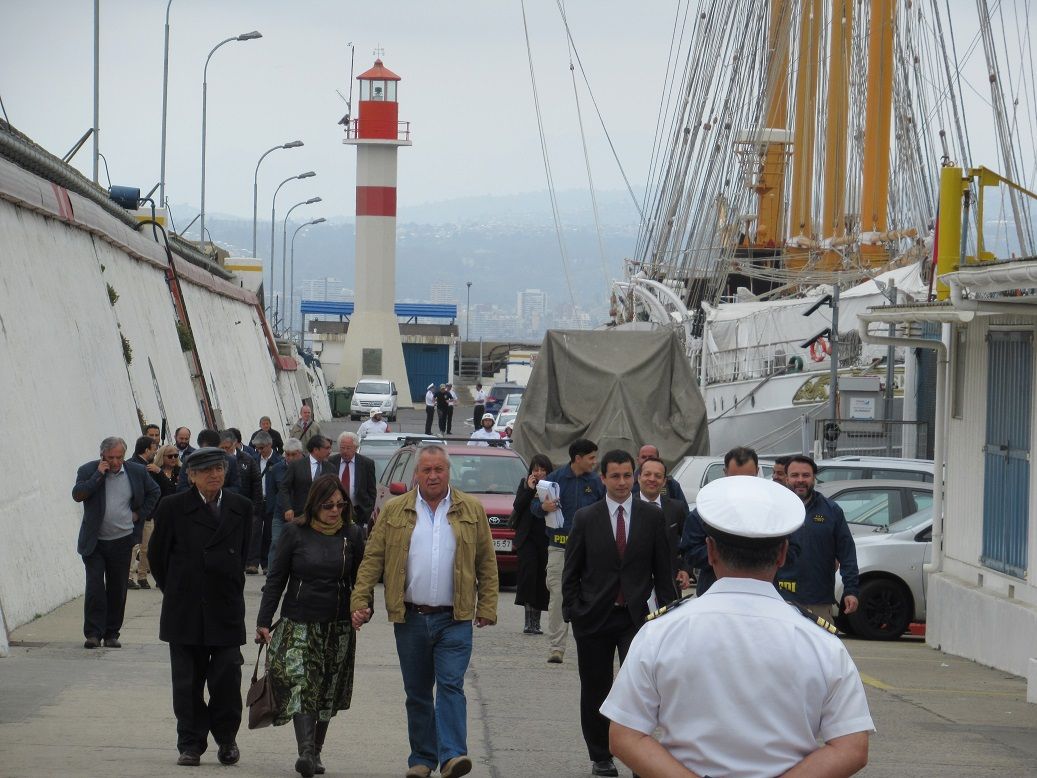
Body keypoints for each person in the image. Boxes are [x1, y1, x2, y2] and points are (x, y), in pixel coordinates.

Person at [602, 476, 873, 777]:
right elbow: (851, 747)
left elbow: (624, 735)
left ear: (711, 550)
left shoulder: (661, 632)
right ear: (783, 554)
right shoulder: (821, 642)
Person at [351, 445, 498, 778]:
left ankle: (452, 756)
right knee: (417, 693)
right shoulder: (394, 510)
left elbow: (486, 563)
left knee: (450, 686)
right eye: (427, 470)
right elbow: (372, 559)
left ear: (449, 472)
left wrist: (487, 605)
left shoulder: (471, 509)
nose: (433, 476)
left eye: (439, 470)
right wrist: (360, 600)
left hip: (454, 618)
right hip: (411, 617)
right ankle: (421, 759)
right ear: (416, 474)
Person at [563, 450, 677, 778]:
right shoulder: (586, 518)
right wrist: (573, 611)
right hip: (594, 618)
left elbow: (663, 570)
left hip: (635, 619)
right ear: (603, 479)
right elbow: (571, 571)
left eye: (628, 475)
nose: (622, 482)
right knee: (596, 688)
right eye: (615, 476)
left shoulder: (651, 517)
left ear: (635, 476)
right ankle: (600, 755)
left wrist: (668, 616)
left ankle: (639, 758)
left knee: (639, 691)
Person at [257, 474, 366, 778]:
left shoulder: (353, 535)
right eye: (328, 505)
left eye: (341, 505)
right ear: (315, 504)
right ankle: (305, 752)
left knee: (327, 689)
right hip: (300, 622)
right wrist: (264, 621)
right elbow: (276, 579)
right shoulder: (295, 533)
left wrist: (362, 608)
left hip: (338, 625)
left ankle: (316, 752)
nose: (335, 510)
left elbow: (362, 580)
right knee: (304, 685)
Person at [149, 448, 253, 767]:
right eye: (206, 470)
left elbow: (244, 555)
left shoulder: (240, 507)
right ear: (191, 475)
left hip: (225, 608)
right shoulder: (172, 507)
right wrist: (180, 589)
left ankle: (226, 739)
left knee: (226, 679)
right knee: (187, 683)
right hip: (185, 609)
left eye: (219, 468)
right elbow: (157, 557)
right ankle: (191, 743)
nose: (214, 475)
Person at [72, 436, 160, 648]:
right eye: (110, 458)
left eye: (119, 457)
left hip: (122, 540)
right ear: (102, 455)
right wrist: (97, 476)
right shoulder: (88, 470)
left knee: (117, 588)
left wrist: (139, 514)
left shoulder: (136, 472)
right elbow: (78, 495)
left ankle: (112, 633)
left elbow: (154, 491)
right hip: (94, 541)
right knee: (95, 587)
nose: (115, 462)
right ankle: (93, 633)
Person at [531, 439, 606, 664]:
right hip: (559, 547)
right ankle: (556, 647)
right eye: (591, 457)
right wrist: (543, 507)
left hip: (589, 551)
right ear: (578, 458)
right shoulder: (553, 480)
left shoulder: (596, 483)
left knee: (591, 598)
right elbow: (534, 508)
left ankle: (590, 644)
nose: (594, 462)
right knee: (558, 596)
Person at [778, 455, 861, 620]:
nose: (800, 480)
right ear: (786, 478)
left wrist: (851, 590)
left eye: (806, 475)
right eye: (795, 475)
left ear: (814, 478)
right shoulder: (774, 508)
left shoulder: (832, 511)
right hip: (780, 600)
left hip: (818, 602)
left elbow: (847, 553)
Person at [679, 446, 762, 596]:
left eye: (748, 478)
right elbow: (690, 552)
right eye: (735, 479)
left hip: (761, 594)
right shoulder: (706, 510)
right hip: (714, 593)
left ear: (757, 472)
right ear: (725, 473)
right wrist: (727, 553)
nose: (742, 485)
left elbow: (791, 550)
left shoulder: (772, 510)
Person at [510, 454, 553, 635]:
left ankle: (537, 621)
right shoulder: (525, 484)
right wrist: (528, 489)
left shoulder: (553, 486)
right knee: (528, 576)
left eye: (543, 469)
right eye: (536, 469)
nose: (540, 473)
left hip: (545, 537)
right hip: (527, 538)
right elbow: (517, 506)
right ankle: (528, 621)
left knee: (542, 579)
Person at [636, 456, 693, 592]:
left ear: (664, 481)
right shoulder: (626, 508)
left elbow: (689, 542)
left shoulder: (676, 508)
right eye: (647, 474)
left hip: (669, 586)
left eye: (658, 476)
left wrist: (685, 569)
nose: (652, 479)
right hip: (636, 587)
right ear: (638, 478)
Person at [278, 435, 335, 524]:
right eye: (327, 448)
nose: (330, 451)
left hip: (323, 515)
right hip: (300, 514)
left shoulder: (331, 468)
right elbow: (284, 487)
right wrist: (287, 508)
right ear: (316, 450)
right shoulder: (296, 466)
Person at [128, 435, 160, 590]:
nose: (155, 452)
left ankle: (142, 576)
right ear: (147, 449)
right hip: (135, 514)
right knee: (133, 547)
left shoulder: (151, 466)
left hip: (147, 514)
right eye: (154, 449)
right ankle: (128, 576)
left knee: (146, 547)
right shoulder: (132, 465)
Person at [328, 432, 377, 530]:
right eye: (342, 448)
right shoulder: (331, 462)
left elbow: (371, 490)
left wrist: (368, 510)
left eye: (348, 448)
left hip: (358, 511)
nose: (345, 451)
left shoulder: (367, 464)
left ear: (355, 448)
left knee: (355, 540)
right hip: (334, 509)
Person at [268, 438, 303, 562]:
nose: (290, 458)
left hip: (301, 513)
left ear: (300, 453)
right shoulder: (276, 469)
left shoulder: (307, 467)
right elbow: (272, 491)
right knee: (276, 543)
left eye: (294, 455)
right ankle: (271, 577)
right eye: (287, 454)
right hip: (280, 513)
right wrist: (271, 511)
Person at [176, 429, 241, 494]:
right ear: (200, 446)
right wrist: (201, 495)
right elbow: (182, 487)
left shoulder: (230, 461)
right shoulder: (189, 461)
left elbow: (236, 487)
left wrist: (217, 494)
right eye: (206, 450)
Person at [632, 444, 689, 513]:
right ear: (638, 460)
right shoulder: (630, 484)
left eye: (651, 457)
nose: (652, 479)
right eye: (643, 457)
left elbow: (684, 513)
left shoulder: (671, 484)